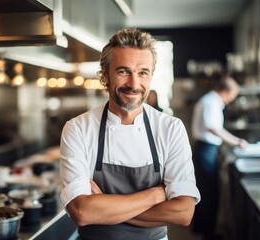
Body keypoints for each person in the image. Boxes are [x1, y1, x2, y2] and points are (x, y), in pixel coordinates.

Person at [59, 28, 200, 240]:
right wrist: (156, 194)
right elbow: (82, 212)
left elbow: (183, 213)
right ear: (105, 75)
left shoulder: (170, 128)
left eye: (143, 72)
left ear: (151, 77)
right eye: (123, 71)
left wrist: (105, 206)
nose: (134, 84)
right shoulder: (78, 129)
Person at [191, 75, 248, 240]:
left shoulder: (211, 100)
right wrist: (237, 141)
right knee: (209, 193)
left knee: (208, 191)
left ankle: (205, 230)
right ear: (226, 91)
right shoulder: (211, 101)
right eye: (232, 95)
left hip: (206, 149)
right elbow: (213, 127)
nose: (231, 100)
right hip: (205, 150)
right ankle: (208, 234)